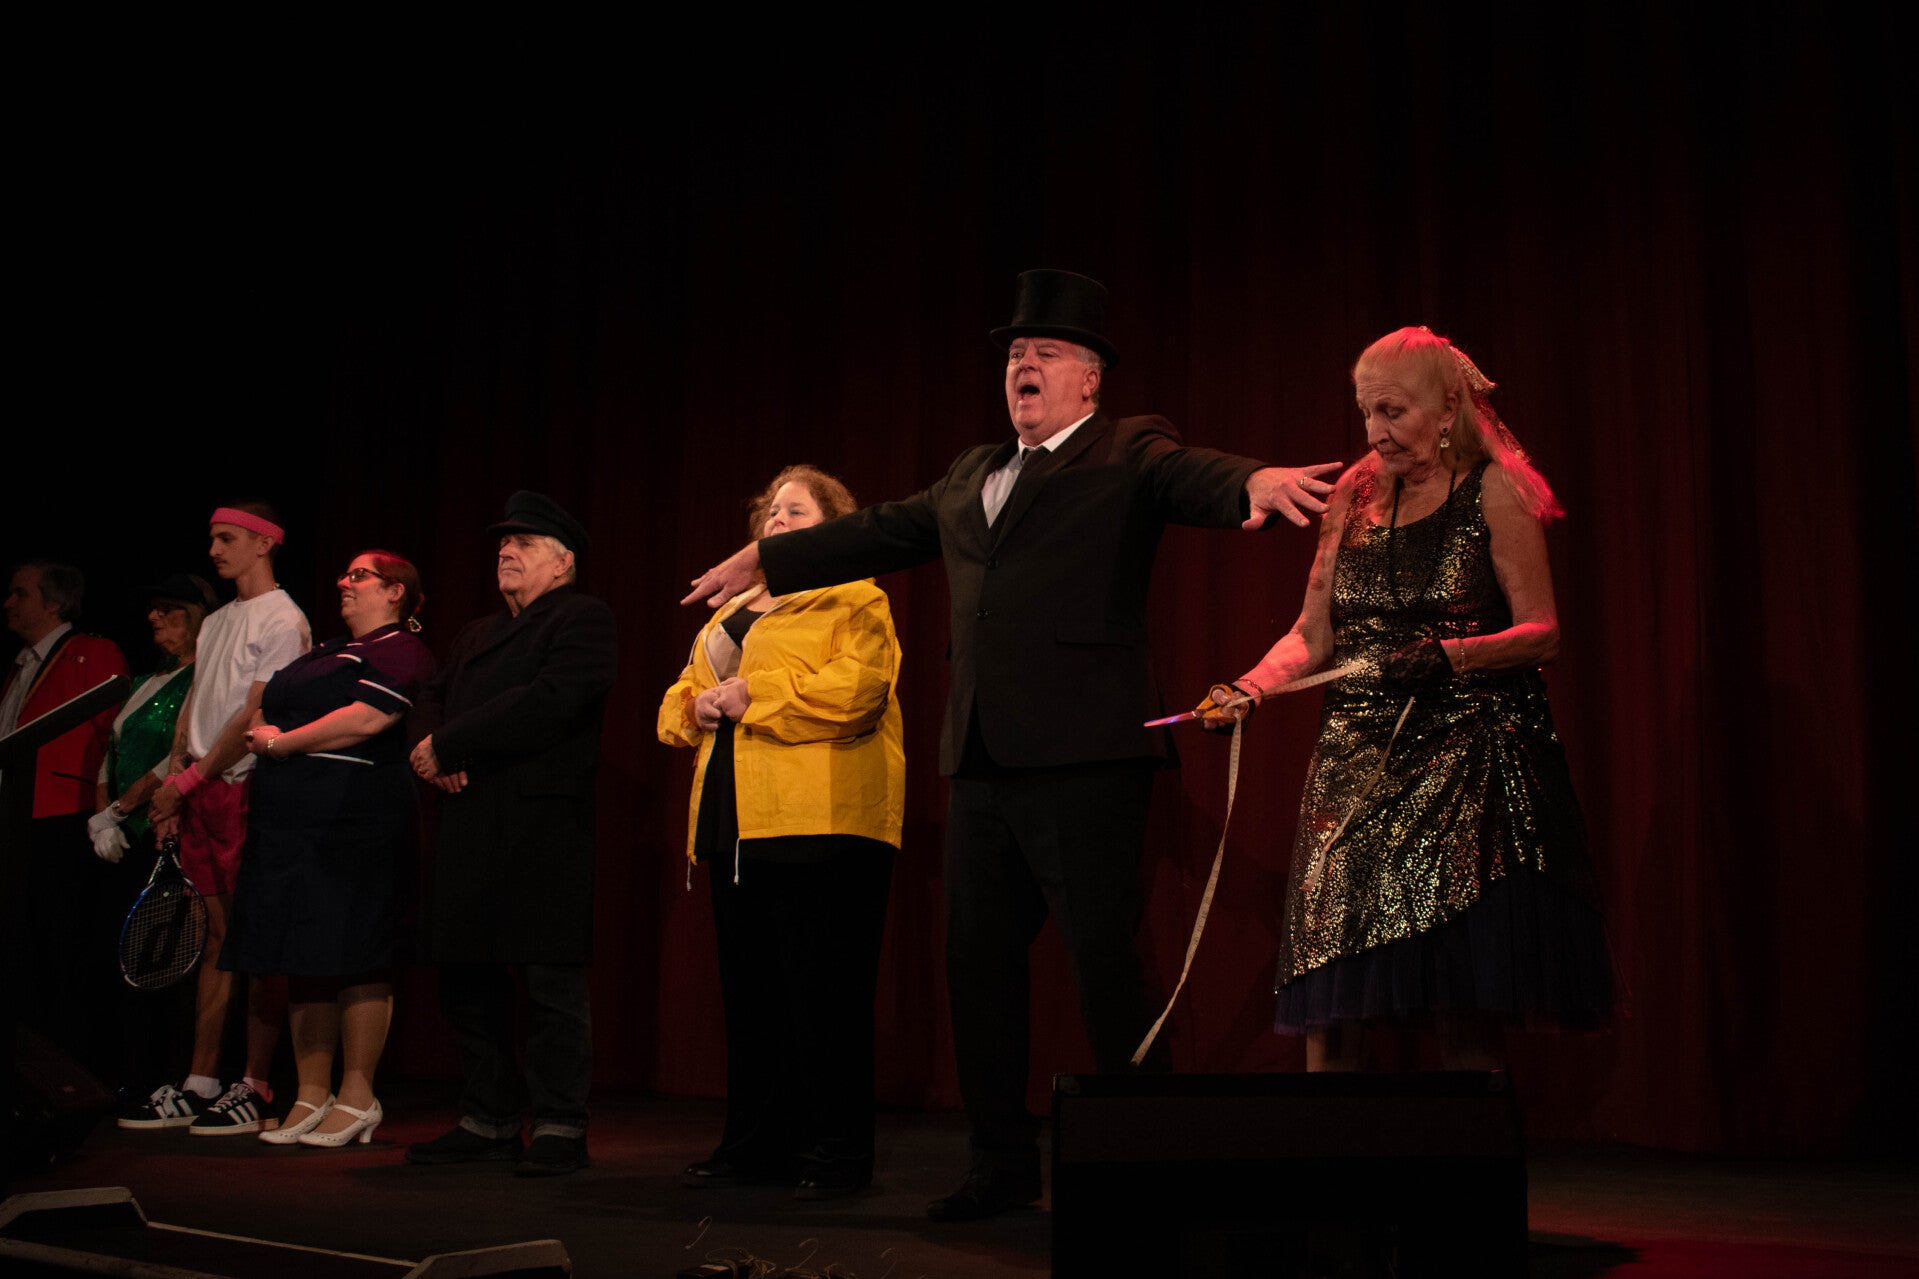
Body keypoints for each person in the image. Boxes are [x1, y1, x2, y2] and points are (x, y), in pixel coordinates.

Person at [682, 270, 1340, 1220]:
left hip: (1086, 758)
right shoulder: (969, 473)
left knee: (1104, 966)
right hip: (983, 760)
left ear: (1090, 378)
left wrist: (1255, 480)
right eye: (1014, 354)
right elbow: (876, 531)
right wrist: (767, 555)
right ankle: (999, 1165)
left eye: (1046, 352)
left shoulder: (1126, 447)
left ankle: (1146, 1163)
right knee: (977, 969)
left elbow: (1189, 473)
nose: (1023, 364)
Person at [1199, 326, 1612, 1072]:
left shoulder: (1494, 488)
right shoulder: (1353, 496)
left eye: (1391, 411)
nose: (1373, 431)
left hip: (1464, 762)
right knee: (1330, 977)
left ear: (1447, 408)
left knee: (1461, 994)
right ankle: (1335, 1146)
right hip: (1353, 762)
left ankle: (1464, 1143)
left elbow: (1543, 631)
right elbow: (1312, 634)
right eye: (1365, 411)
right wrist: (1248, 688)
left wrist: (1449, 655)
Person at [660, 465, 905, 1200]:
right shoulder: (732, 610)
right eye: (771, 512)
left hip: (823, 819)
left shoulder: (855, 597)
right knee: (753, 995)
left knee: (823, 996)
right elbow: (679, 699)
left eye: (795, 512)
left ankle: (836, 1152)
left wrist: (753, 696)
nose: (776, 522)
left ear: (833, 528)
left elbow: (857, 693)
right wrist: (697, 708)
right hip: (735, 819)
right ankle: (755, 1144)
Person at [406, 492, 617, 1177]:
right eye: (502, 542)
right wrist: (430, 750)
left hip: (539, 824)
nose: (506, 550)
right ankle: (488, 1119)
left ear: (563, 563)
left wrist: (452, 742)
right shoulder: (476, 632)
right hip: (469, 819)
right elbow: (430, 696)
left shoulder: (583, 618)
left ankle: (559, 1124)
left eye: (524, 542)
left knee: (549, 979)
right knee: (467, 975)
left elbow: (551, 699)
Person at [220, 550, 434, 1148]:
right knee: (302, 952)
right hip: (290, 823)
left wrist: (282, 743)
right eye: (344, 573)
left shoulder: (399, 648)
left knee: (356, 950)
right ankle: (310, 1094)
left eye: (360, 575)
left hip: (354, 819)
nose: (344, 581)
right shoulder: (325, 651)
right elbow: (264, 708)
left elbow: (367, 719)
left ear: (395, 591)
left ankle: (359, 1096)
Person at [126, 504, 311, 1134]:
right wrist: (176, 784)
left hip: (245, 787)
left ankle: (255, 1084)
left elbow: (255, 713)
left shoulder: (284, 618)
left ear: (264, 543)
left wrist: (188, 780)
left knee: (256, 939)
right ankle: (200, 1080)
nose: (213, 550)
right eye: (211, 538)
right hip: (201, 790)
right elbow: (195, 706)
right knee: (215, 937)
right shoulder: (218, 621)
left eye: (226, 538)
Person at [89, 573, 218, 1089]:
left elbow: (179, 756)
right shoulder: (145, 680)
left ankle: (167, 1077)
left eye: (168, 609)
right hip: (124, 837)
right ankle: (130, 1074)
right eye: (153, 610)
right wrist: (102, 818)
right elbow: (111, 749)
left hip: (168, 830)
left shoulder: (204, 680)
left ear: (197, 617)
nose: (153, 618)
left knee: (165, 958)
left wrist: (121, 810)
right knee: (124, 960)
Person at [3, 561, 131, 1075]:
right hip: (17, 817)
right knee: (23, 947)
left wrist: (103, 808)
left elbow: (111, 736)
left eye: (20, 593)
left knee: (61, 946)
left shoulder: (93, 651)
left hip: (63, 814)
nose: (8, 603)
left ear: (54, 603)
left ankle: (68, 1068)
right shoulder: (19, 665)